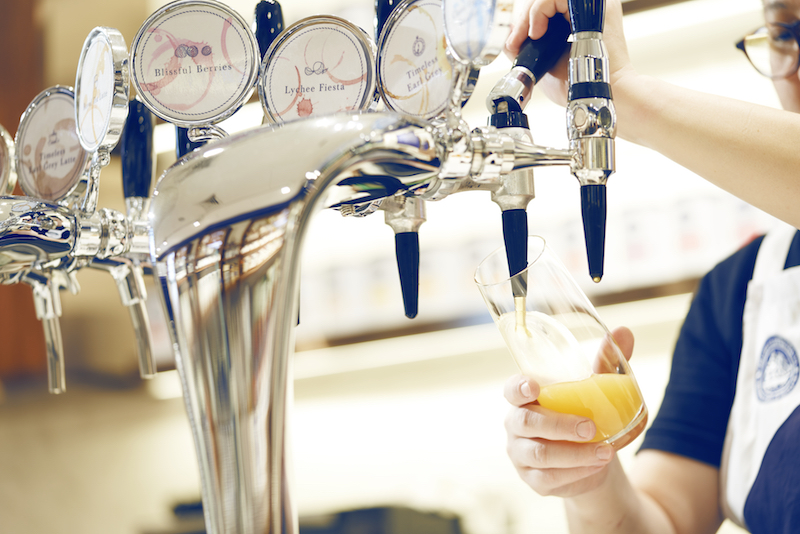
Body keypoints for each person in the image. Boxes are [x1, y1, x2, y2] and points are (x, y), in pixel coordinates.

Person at [501, 1, 800, 533]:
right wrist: (589, 481)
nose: (797, 63)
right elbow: (663, 521)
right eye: (784, 33)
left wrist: (622, 93)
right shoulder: (741, 290)